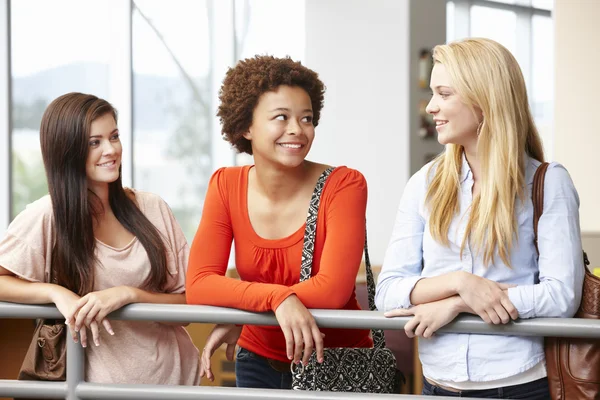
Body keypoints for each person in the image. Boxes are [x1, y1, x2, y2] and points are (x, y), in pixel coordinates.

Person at [375, 38, 584, 398]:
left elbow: (561, 295)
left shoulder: (547, 183)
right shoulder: (423, 184)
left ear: (484, 99)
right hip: (437, 384)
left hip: (519, 386)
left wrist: (460, 302)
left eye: (444, 94)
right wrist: (461, 282)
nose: (430, 107)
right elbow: (389, 292)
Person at [185, 55, 373, 389]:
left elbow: (332, 290)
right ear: (246, 126)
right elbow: (199, 284)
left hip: (338, 364)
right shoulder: (225, 185)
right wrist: (277, 300)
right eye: (281, 117)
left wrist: (250, 311)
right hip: (256, 363)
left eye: (306, 118)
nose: (297, 130)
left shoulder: (344, 185)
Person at [0, 92, 200, 385]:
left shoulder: (152, 207)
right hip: (96, 389)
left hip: (175, 382)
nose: (111, 150)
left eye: (114, 136)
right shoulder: (47, 216)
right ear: (67, 150)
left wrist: (128, 295)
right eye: (94, 142)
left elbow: (187, 307)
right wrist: (57, 293)